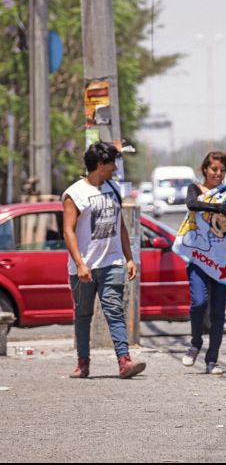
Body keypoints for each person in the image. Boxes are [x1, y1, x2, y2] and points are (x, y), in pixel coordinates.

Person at [62, 142, 146, 379]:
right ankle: (83, 363)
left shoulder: (112, 187)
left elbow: (120, 225)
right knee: (83, 315)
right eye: (111, 163)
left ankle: (124, 361)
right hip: (84, 267)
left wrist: (129, 258)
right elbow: (68, 231)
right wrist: (80, 264)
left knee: (115, 311)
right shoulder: (74, 193)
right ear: (100, 165)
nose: (114, 168)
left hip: (112, 263)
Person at [178, 151, 226, 375]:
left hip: (222, 260)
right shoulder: (195, 189)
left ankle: (212, 360)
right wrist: (221, 208)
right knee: (198, 303)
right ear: (205, 168)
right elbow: (192, 205)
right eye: (214, 169)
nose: (218, 174)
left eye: (222, 171)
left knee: (217, 313)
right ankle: (195, 343)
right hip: (199, 258)